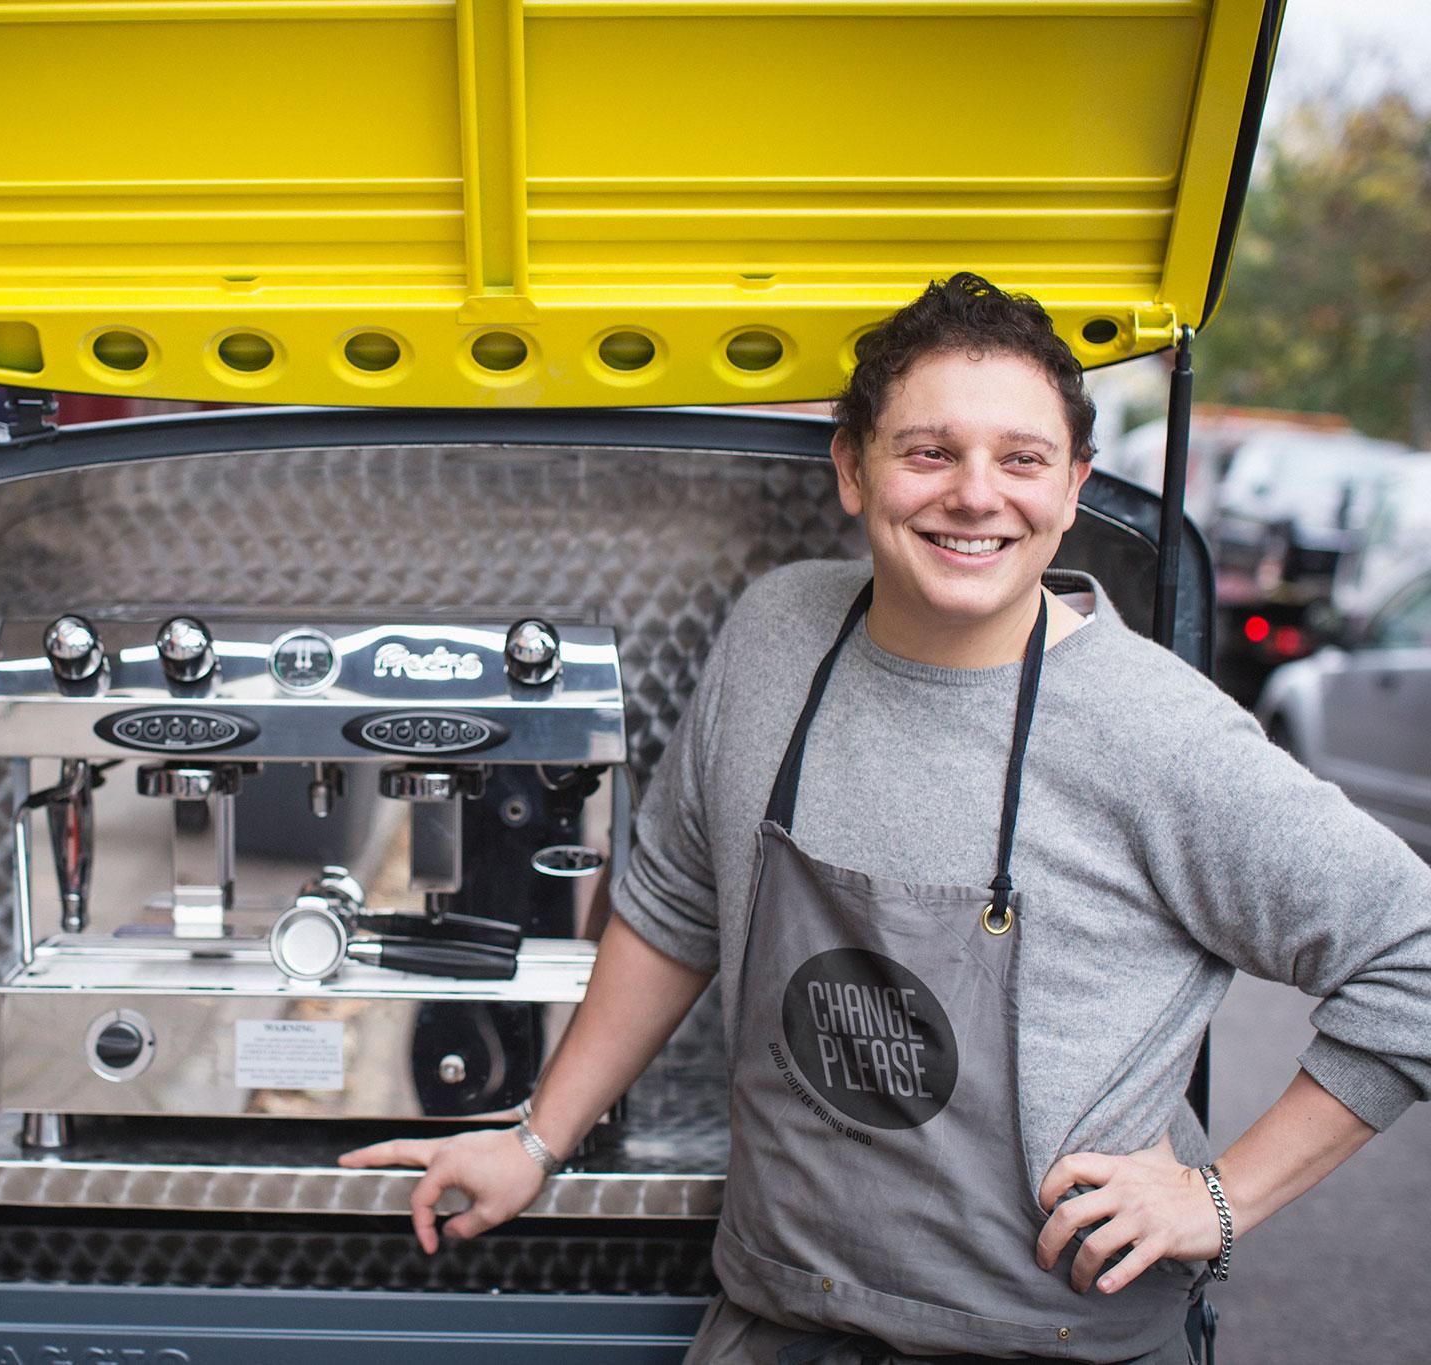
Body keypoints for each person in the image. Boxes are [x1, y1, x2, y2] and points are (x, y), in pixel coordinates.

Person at [340, 273, 1431, 1364]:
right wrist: (538, 1138)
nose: (974, 495)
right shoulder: (775, 636)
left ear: (1070, 488)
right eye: (927, 453)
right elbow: (674, 903)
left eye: (1019, 459)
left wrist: (1219, 1197)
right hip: (775, 1316)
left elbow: (1409, 957)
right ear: (851, 469)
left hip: (1044, 1338)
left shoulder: (1156, 736)